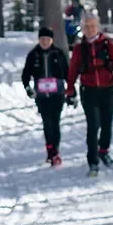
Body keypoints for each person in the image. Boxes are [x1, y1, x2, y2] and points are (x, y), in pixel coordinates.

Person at [65, 13, 113, 175]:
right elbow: (72, 71)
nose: (90, 29)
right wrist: (70, 91)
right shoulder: (79, 48)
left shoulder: (107, 44)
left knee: (107, 123)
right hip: (89, 90)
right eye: (86, 26)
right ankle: (93, 161)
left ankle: (104, 151)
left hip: (108, 89)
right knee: (93, 125)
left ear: (98, 27)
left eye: (92, 26)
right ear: (83, 28)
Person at [22, 25, 69, 166]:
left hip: (57, 94)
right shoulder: (33, 54)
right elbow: (25, 74)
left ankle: (56, 151)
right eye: (42, 39)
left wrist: (71, 91)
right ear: (38, 40)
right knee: (46, 122)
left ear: (51, 40)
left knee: (55, 122)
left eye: (47, 39)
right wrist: (28, 88)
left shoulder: (59, 53)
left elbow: (68, 73)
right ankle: (50, 149)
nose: (45, 42)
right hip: (42, 96)